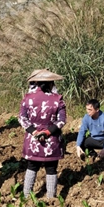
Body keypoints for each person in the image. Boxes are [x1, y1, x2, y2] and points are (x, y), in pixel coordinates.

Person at [19, 69, 66, 199]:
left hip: (33, 139)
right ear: (51, 84)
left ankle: (26, 195)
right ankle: (51, 197)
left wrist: (34, 132)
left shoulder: (27, 98)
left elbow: (22, 118)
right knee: (51, 168)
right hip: (51, 139)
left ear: (37, 83)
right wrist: (46, 132)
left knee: (32, 166)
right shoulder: (58, 99)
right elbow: (61, 121)